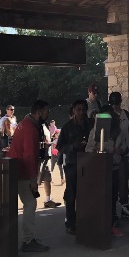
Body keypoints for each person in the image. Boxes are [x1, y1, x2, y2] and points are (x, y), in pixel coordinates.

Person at [5, 99, 50, 253]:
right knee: (30, 203)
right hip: (22, 171)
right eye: (45, 111)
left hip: (12, 168)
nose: (47, 114)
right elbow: (30, 155)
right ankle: (28, 240)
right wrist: (33, 179)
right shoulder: (31, 128)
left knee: (7, 203)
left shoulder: (24, 122)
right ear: (39, 112)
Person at [87, 105, 125, 237]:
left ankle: (112, 223)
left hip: (113, 167)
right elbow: (88, 149)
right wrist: (94, 151)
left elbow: (123, 148)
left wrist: (118, 150)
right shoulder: (94, 132)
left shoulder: (117, 132)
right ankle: (100, 225)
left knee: (113, 197)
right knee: (101, 198)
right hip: (99, 170)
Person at [56, 99, 92, 235]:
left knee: (87, 193)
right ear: (73, 110)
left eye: (83, 109)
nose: (81, 112)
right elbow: (59, 146)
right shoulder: (67, 127)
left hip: (89, 163)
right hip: (72, 164)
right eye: (78, 109)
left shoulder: (91, 124)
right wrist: (72, 146)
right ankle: (70, 223)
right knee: (71, 195)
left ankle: (86, 220)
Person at [108, 91, 129, 219]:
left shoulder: (127, 116)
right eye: (113, 103)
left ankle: (124, 206)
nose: (115, 105)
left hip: (125, 153)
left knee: (124, 180)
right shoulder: (108, 116)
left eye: (116, 102)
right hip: (111, 154)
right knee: (112, 183)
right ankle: (112, 211)